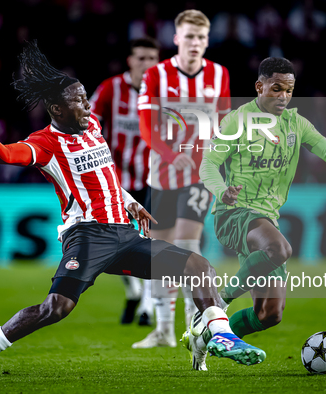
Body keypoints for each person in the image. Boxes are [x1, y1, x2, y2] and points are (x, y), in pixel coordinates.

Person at [0, 41, 264, 377]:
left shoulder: (91, 126)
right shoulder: (45, 144)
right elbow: (6, 154)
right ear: (57, 110)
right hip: (88, 236)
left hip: (125, 234)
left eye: (85, 97)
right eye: (78, 101)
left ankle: (222, 337)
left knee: (198, 266)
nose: (87, 105)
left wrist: (130, 203)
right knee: (57, 307)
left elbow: (104, 176)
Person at [183, 57, 326, 371]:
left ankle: (203, 338)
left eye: (289, 90)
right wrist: (223, 191)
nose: (283, 96)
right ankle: (220, 300)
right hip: (234, 214)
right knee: (280, 248)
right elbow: (208, 164)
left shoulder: (296, 123)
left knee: (269, 314)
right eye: (276, 88)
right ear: (260, 86)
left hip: (266, 218)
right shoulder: (237, 120)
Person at [134, 9, 231, 349]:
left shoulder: (220, 75)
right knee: (161, 253)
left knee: (188, 245)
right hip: (163, 171)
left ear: (207, 40)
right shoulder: (157, 75)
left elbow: (222, 123)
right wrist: (173, 155)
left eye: (201, 37)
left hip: (200, 174)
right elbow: (146, 126)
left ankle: (195, 325)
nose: (195, 43)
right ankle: (163, 331)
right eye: (189, 36)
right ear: (176, 38)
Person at [89, 37, 160, 326]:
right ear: (130, 61)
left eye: (152, 59)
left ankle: (145, 308)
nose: (146, 64)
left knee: (153, 240)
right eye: (141, 58)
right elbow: (87, 120)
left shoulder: (163, 94)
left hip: (153, 178)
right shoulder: (110, 88)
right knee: (114, 243)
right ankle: (133, 293)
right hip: (115, 180)